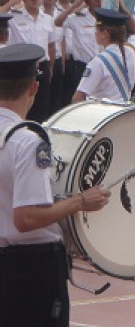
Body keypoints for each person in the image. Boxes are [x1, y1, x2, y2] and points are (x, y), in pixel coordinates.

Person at [0, 43, 110, 327]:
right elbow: (25, 218)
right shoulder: (27, 142)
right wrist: (79, 202)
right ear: (34, 88)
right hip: (31, 267)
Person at [3, 0, 57, 121]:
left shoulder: (48, 19)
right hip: (22, 67)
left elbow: (51, 45)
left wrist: (51, 67)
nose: (34, 0)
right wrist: (13, 1)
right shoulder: (14, 17)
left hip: (42, 65)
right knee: (23, 106)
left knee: (43, 105)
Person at [73, 8, 135, 103]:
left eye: (97, 30)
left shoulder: (98, 62)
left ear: (105, 33)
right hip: (123, 112)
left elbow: (78, 98)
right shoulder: (131, 52)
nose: (95, 33)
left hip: (103, 113)